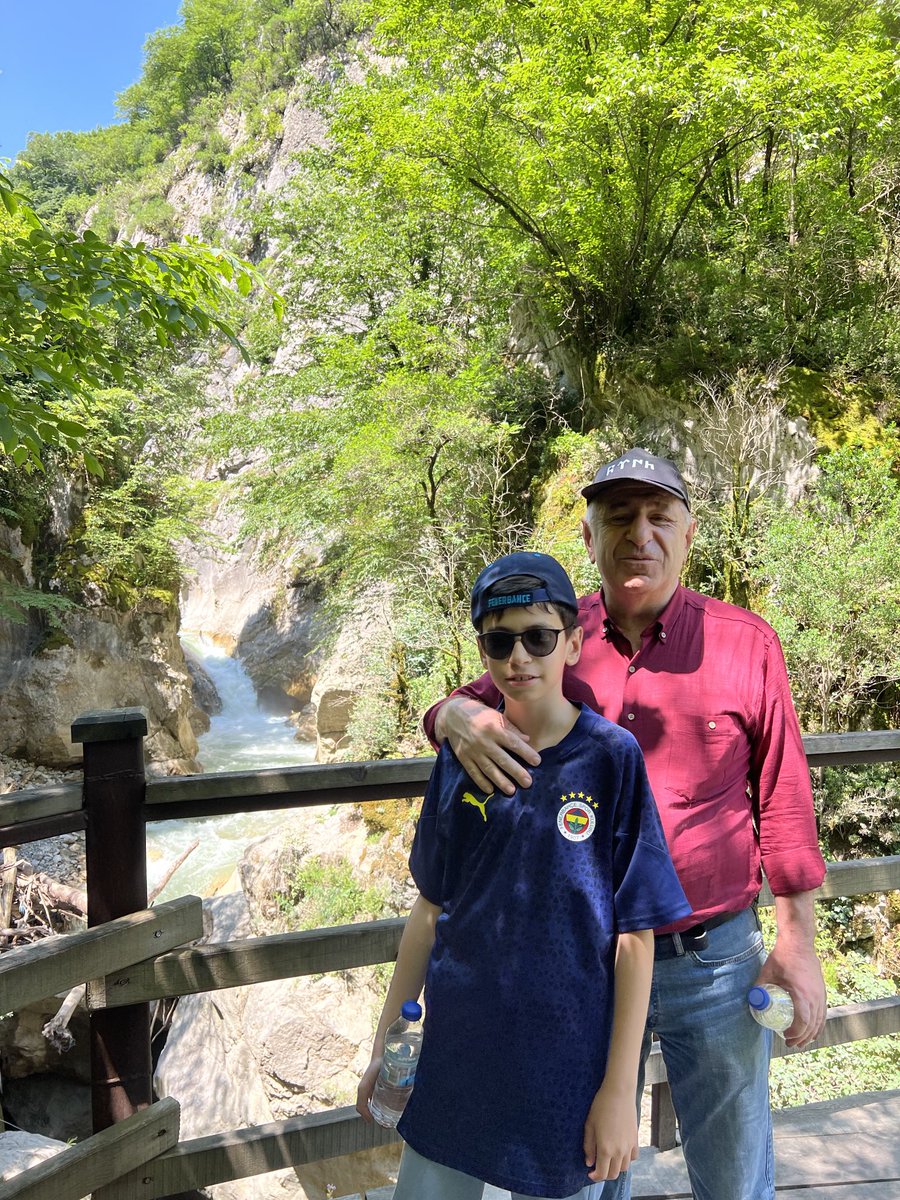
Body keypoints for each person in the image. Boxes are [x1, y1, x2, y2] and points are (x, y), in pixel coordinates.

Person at [422, 450, 828, 1200]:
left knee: (735, 1174)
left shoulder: (745, 643)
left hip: (714, 957)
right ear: (589, 536)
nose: (639, 533)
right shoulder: (554, 636)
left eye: (658, 516)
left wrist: (798, 943)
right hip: (583, 968)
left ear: (688, 532)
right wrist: (453, 714)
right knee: (583, 1171)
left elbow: (783, 795)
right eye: (618, 516)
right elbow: (466, 701)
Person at [358, 550, 691, 1200]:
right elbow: (428, 913)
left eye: (539, 637)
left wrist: (620, 1092)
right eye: (499, 640)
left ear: (572, 642)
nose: (519, 657)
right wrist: (386, 1044)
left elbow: (634, 939)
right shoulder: (461, 758)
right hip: (455, 1056)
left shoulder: (610, 760)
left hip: (562, 1071)